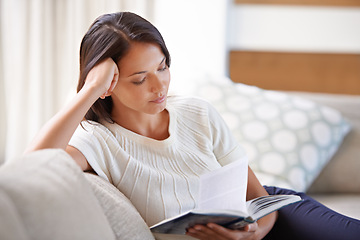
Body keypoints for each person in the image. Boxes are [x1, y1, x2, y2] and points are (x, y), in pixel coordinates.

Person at [25, 12, 360, 240]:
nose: (159, 87)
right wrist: (88, 90)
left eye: (163, 67)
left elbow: (257, 196)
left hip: (269, 217)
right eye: (140, 79)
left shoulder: (197, 112)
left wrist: (255, 232)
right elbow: (33, 166)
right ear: (108, 84)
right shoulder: (95, 140)